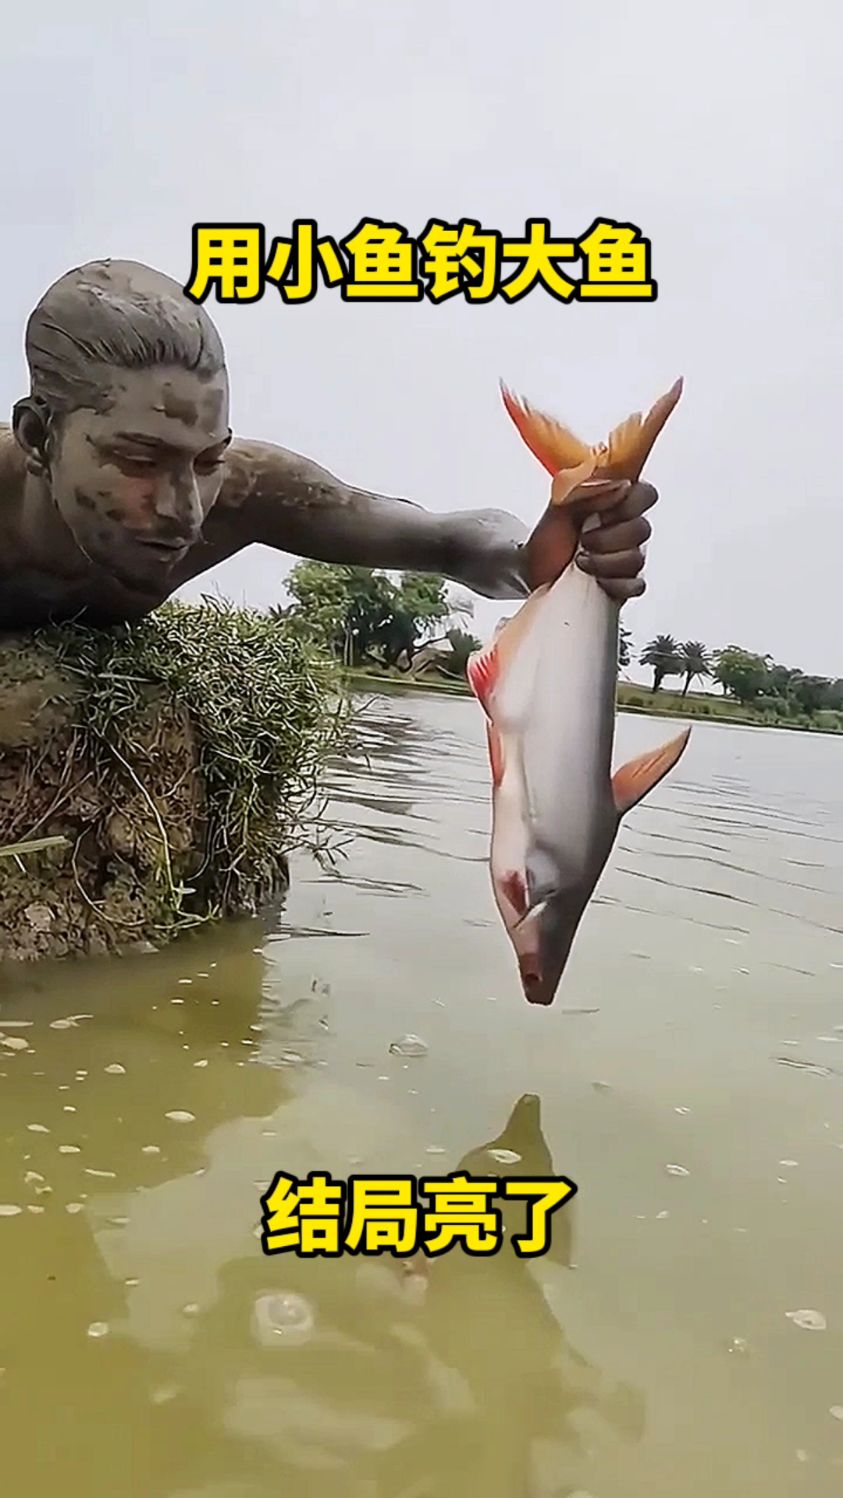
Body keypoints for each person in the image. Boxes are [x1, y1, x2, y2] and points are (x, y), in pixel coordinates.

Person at [0, 259, 657, 632]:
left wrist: (539, 554)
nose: (185, 510)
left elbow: (452, 541)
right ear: (36, 436)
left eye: (206, 460)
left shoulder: (248, 492)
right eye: (140, 461)